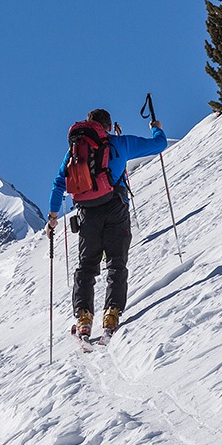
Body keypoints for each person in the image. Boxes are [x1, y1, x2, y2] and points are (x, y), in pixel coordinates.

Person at [46, 108, 168, 338]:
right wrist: (156, 129)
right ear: (109, 127)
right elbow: (159, 146)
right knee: (116, 263)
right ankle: (111, 313)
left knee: (86, 266)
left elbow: (58, 184)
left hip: (87, 214)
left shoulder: (75, 151)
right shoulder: (120, 144)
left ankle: (83, 318)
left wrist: (53, 218)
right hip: (115, 208)